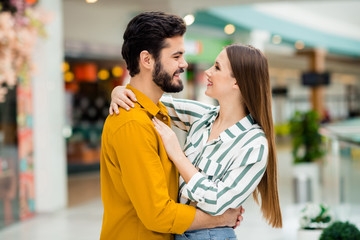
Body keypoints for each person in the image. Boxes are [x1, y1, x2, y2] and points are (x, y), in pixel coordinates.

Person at [110, 44, 283, 239]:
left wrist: (177, 155)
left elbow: (217, 200)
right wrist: (119, 91)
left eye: (217, 67)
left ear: (237, 82)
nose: (208, 72)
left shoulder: (254, 144)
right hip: (177, 229)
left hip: (210, 235)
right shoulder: (203, 116)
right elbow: (147, 99)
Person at [100, 11, 244, 240]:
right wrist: (221, 218)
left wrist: (119, 90)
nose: (184, 64)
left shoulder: (157, 113)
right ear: (147, 60)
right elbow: (158, 214)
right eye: (176, 56)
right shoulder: (132, 124)